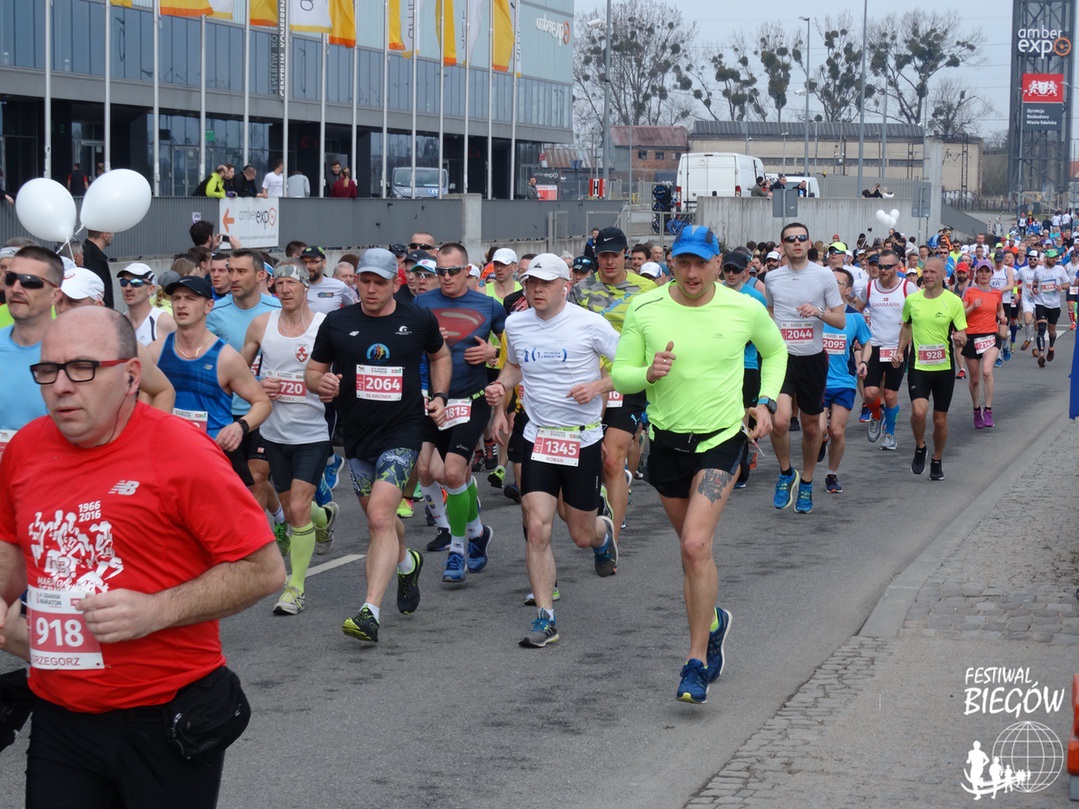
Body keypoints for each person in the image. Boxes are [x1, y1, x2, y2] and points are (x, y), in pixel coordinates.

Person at [0, 306, 284, 807]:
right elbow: (12, 547)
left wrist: (156, 610)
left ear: (131, 376)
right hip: (60, 714)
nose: (61, 386)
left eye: (82, 368)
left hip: (163, 716)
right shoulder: (25, 449)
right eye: (48, 370)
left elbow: (263, 570)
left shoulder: (183, 452)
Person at [611, 225, 786, 704]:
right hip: (666, 445)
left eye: (701, 263)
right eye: (683, 262)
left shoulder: (743, 307)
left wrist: (766, 401)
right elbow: (621, 374)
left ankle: (695, 662)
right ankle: (713, 619)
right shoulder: (645, 308)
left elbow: (775, 351)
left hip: (720, 440)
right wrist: (646, 374)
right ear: (672, 263)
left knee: (694, 544)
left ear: (717, 265)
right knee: (692, 555)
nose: (692, 273)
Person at [306, 248, 451, 643]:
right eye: (364, 281)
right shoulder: (338, 322)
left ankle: (369, 610)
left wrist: (440, 395)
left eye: (379, 283)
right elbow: (314, 372)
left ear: (394, 283)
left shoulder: (417, 319)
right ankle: (406, 564)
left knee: (379, 517)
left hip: (403, 431)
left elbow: (440, 355)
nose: (370, 289)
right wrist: (321, 383)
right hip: (357, 437)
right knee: (380, 518)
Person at [484, 253, 618, 647]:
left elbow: (632, 365)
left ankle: (603, 535)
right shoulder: (516, 324)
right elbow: (514, 366)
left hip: (581, 438)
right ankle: (546, 618)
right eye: (530, 283)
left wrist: (596, 387)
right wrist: (501, 387)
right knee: (537, 526)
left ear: (566, 285)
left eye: (545, 282)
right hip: (538, 436)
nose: (536, 289)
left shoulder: (590, 324)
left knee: (581, 535)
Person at [241, 265, 333, 615]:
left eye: (291, 282)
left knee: (296, 509)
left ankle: (295, 589)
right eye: (278, 283)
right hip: (273, 432)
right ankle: (323, 518)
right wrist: (258, 386)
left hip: (313, 432)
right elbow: (238, 370)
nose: (284, 289)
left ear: (305, 287)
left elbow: (342, 368)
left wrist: (332, 384)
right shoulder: (261, 325)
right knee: (294, 509)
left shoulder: (324, 326)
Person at [413, 243, 505, 583]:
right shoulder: (422, 303)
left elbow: (513, 345)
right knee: (435, 472)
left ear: (468, 271)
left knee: (452, 473)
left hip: (471, 399)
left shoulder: (488, 306)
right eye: (440, 272)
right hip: (433, 400)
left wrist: (493, 352)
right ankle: (478, 533)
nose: (446, 278)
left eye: (453, 271)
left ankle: (457, 550)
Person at [568, 226, 656, 541]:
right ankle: (601, 501)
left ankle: (612, 540)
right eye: (603, 255)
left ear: (625, 255)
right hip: (590, 384)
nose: (609, 262)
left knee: (612, 458)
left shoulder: (647, 289)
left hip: (628, 381)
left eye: (615, 255)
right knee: (591, 458)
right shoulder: (580, 290)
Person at [764, 222, 846, 514]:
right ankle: (786, 473)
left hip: (812, 360)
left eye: (801, 238)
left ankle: (807, 481)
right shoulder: (772, 278)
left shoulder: (824, 276)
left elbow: (840, 320)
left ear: (809, 243)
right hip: (781, 358)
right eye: (790, 239)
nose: (796, 242)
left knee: (812, 427)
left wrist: (818, 312)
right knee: (780, 421)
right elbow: (771, 310)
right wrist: (771, 330)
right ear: (782, 245)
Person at [895, 257, 967, 481]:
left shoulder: (953, 302)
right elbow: (906, 327)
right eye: (924, 271)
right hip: (918, 366)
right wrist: (899, 351)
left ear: (943, 275)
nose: (927, 275)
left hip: (944, 367)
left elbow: (962, 332)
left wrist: (961, 339)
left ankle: (937, 459)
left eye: (932, 272)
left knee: (939, 419)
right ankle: (920, 446)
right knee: (919, 412)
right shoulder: (912, 300)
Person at [850, 248, 916, 451]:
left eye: (888, 266)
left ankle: (890, 434)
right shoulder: (870, 288)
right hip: (875, 346)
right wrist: (857, 335)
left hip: (897, 347)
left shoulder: (908, 287)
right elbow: (857, 311)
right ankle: (877, 416)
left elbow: (917, 316)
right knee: (869, 393)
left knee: (890, 395)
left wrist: (905, 345)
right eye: (880, 266)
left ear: (898, 267)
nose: (883, 270)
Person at [0, 246, 64, 437]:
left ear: (55, 295)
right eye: (10, 279)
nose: (16, 289)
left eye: (30, 281)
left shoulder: (75, 351)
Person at [821, 268, 871, 493]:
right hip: (818, 382)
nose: (831, 285)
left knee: (837, 431)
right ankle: (821, 439)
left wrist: (864, 362)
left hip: (843, 382)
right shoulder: (817, 313)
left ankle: (831, 474)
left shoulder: (854, 317)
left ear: (848, 290)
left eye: (837, 282)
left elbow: (867, 343)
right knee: (819, 430)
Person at [961, 261, 1005, 427]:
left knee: (987, 372)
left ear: (992, 274)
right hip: (972, 337)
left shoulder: (996, 293)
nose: (984, 274)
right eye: (981, 271)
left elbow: (999, 309)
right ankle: (976, 409)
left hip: (990, 336)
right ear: (977, 274)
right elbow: (960, 313)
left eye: (987, 271)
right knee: (974, 379)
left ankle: (988, 410)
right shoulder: (970, 292)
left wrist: (1002, 317)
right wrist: (973, 307)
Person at [119, 262, 177, 345]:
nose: (128, 288)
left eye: (136, 283)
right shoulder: (119, 323)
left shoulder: (163, 321)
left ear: (150, 289)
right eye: (124, 282)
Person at [300, 246, 357, 313]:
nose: (308, 266)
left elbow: (351, 311)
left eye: (313, 262)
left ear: (324, 263)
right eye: (304, 262)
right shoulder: (295, 286)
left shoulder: (339, 286)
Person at [82, 229, 115, 309]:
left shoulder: (83, 251)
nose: (113, 235)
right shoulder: (93, 257)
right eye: (113, 232)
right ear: (106, 234)